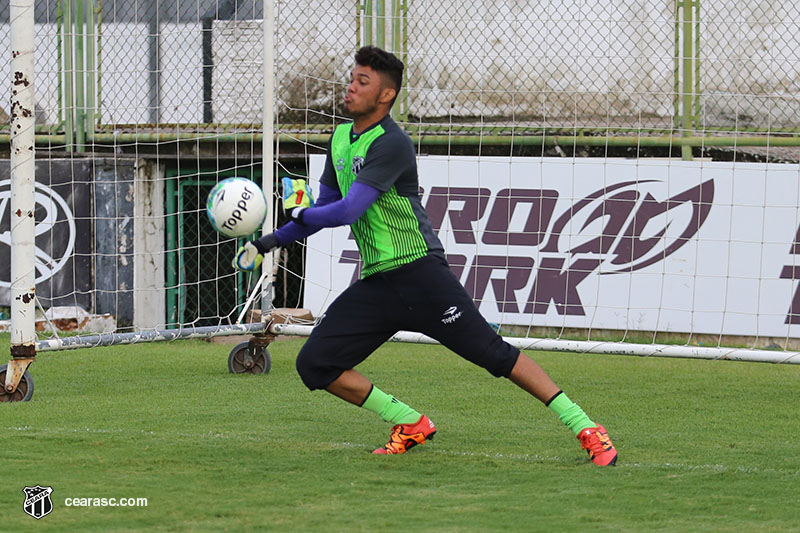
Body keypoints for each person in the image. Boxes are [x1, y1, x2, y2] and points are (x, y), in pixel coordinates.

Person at [234, 45, 618, 465]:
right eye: (352, 78)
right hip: (378, 284)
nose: (351, 87)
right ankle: (409, 422)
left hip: (421, 276)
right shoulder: (341, 138)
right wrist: (269, 242)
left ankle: (586, 426)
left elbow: (349, 210)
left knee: (495, 355)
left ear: (386, 95)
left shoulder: (392, 144)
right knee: (315, 364)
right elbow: (325, 211)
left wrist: (300, 210)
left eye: (363, 82)